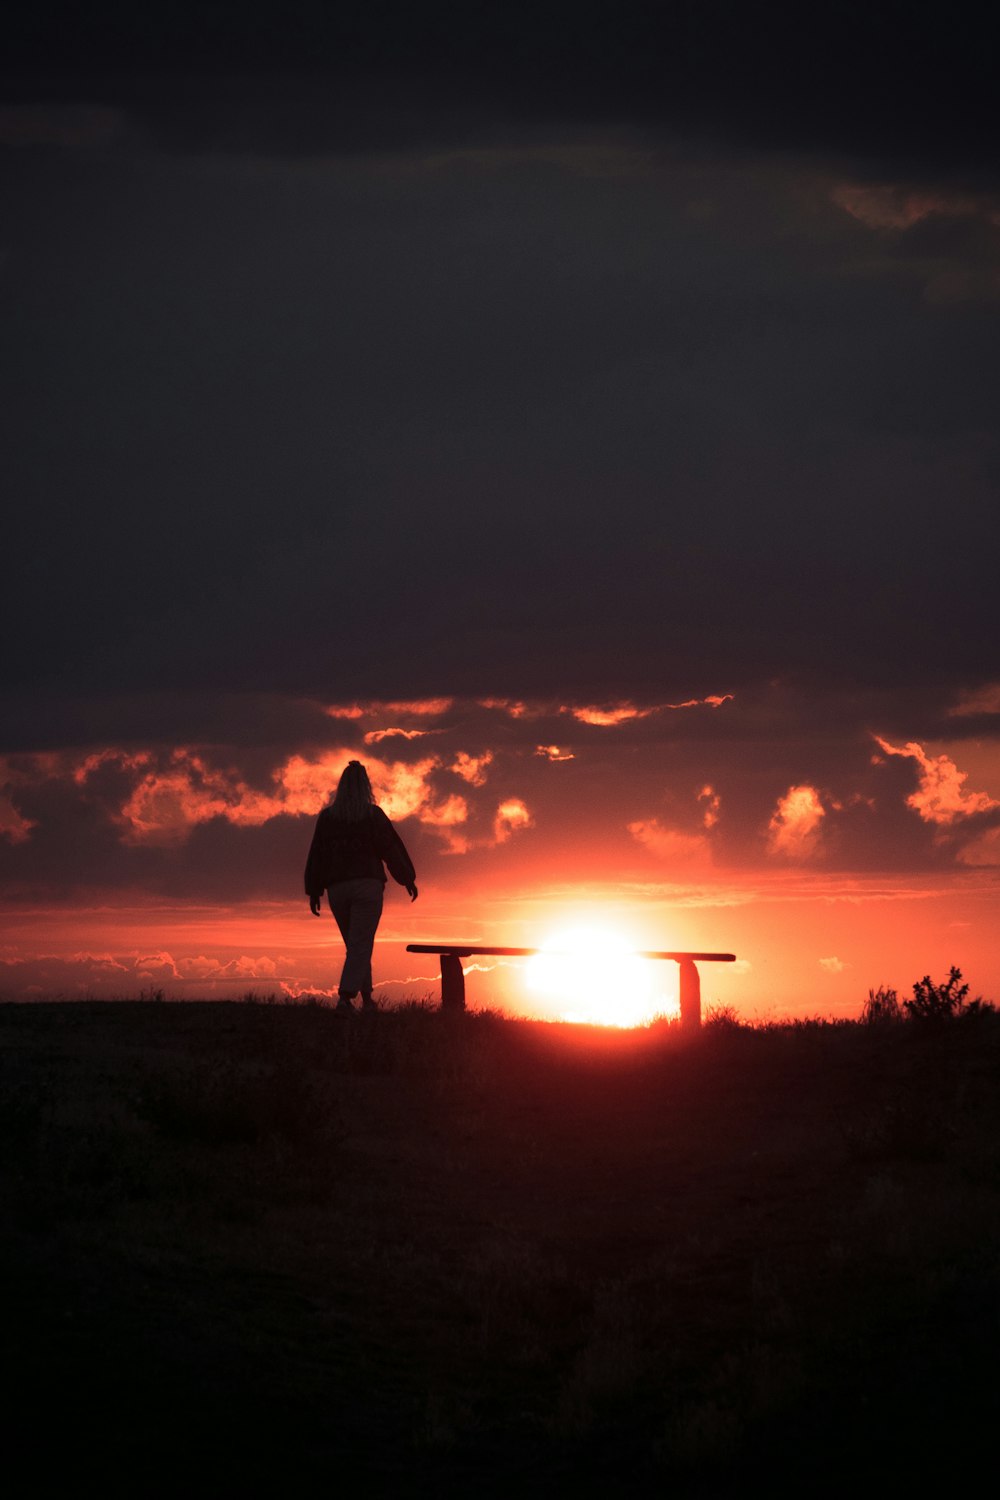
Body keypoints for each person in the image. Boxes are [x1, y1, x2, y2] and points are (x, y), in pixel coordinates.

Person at [304, 760, 417, 1012]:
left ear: (341, 787)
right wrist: (407, 877)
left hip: (338, 888)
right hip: (367, 885)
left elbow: (317, 855)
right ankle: (345, 998)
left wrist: (314, 890)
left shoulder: (328, 818)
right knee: (360, 943)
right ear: (366, 785)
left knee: (356, 943)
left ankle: (367, 999)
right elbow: (391, 848)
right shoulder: (372, 815)